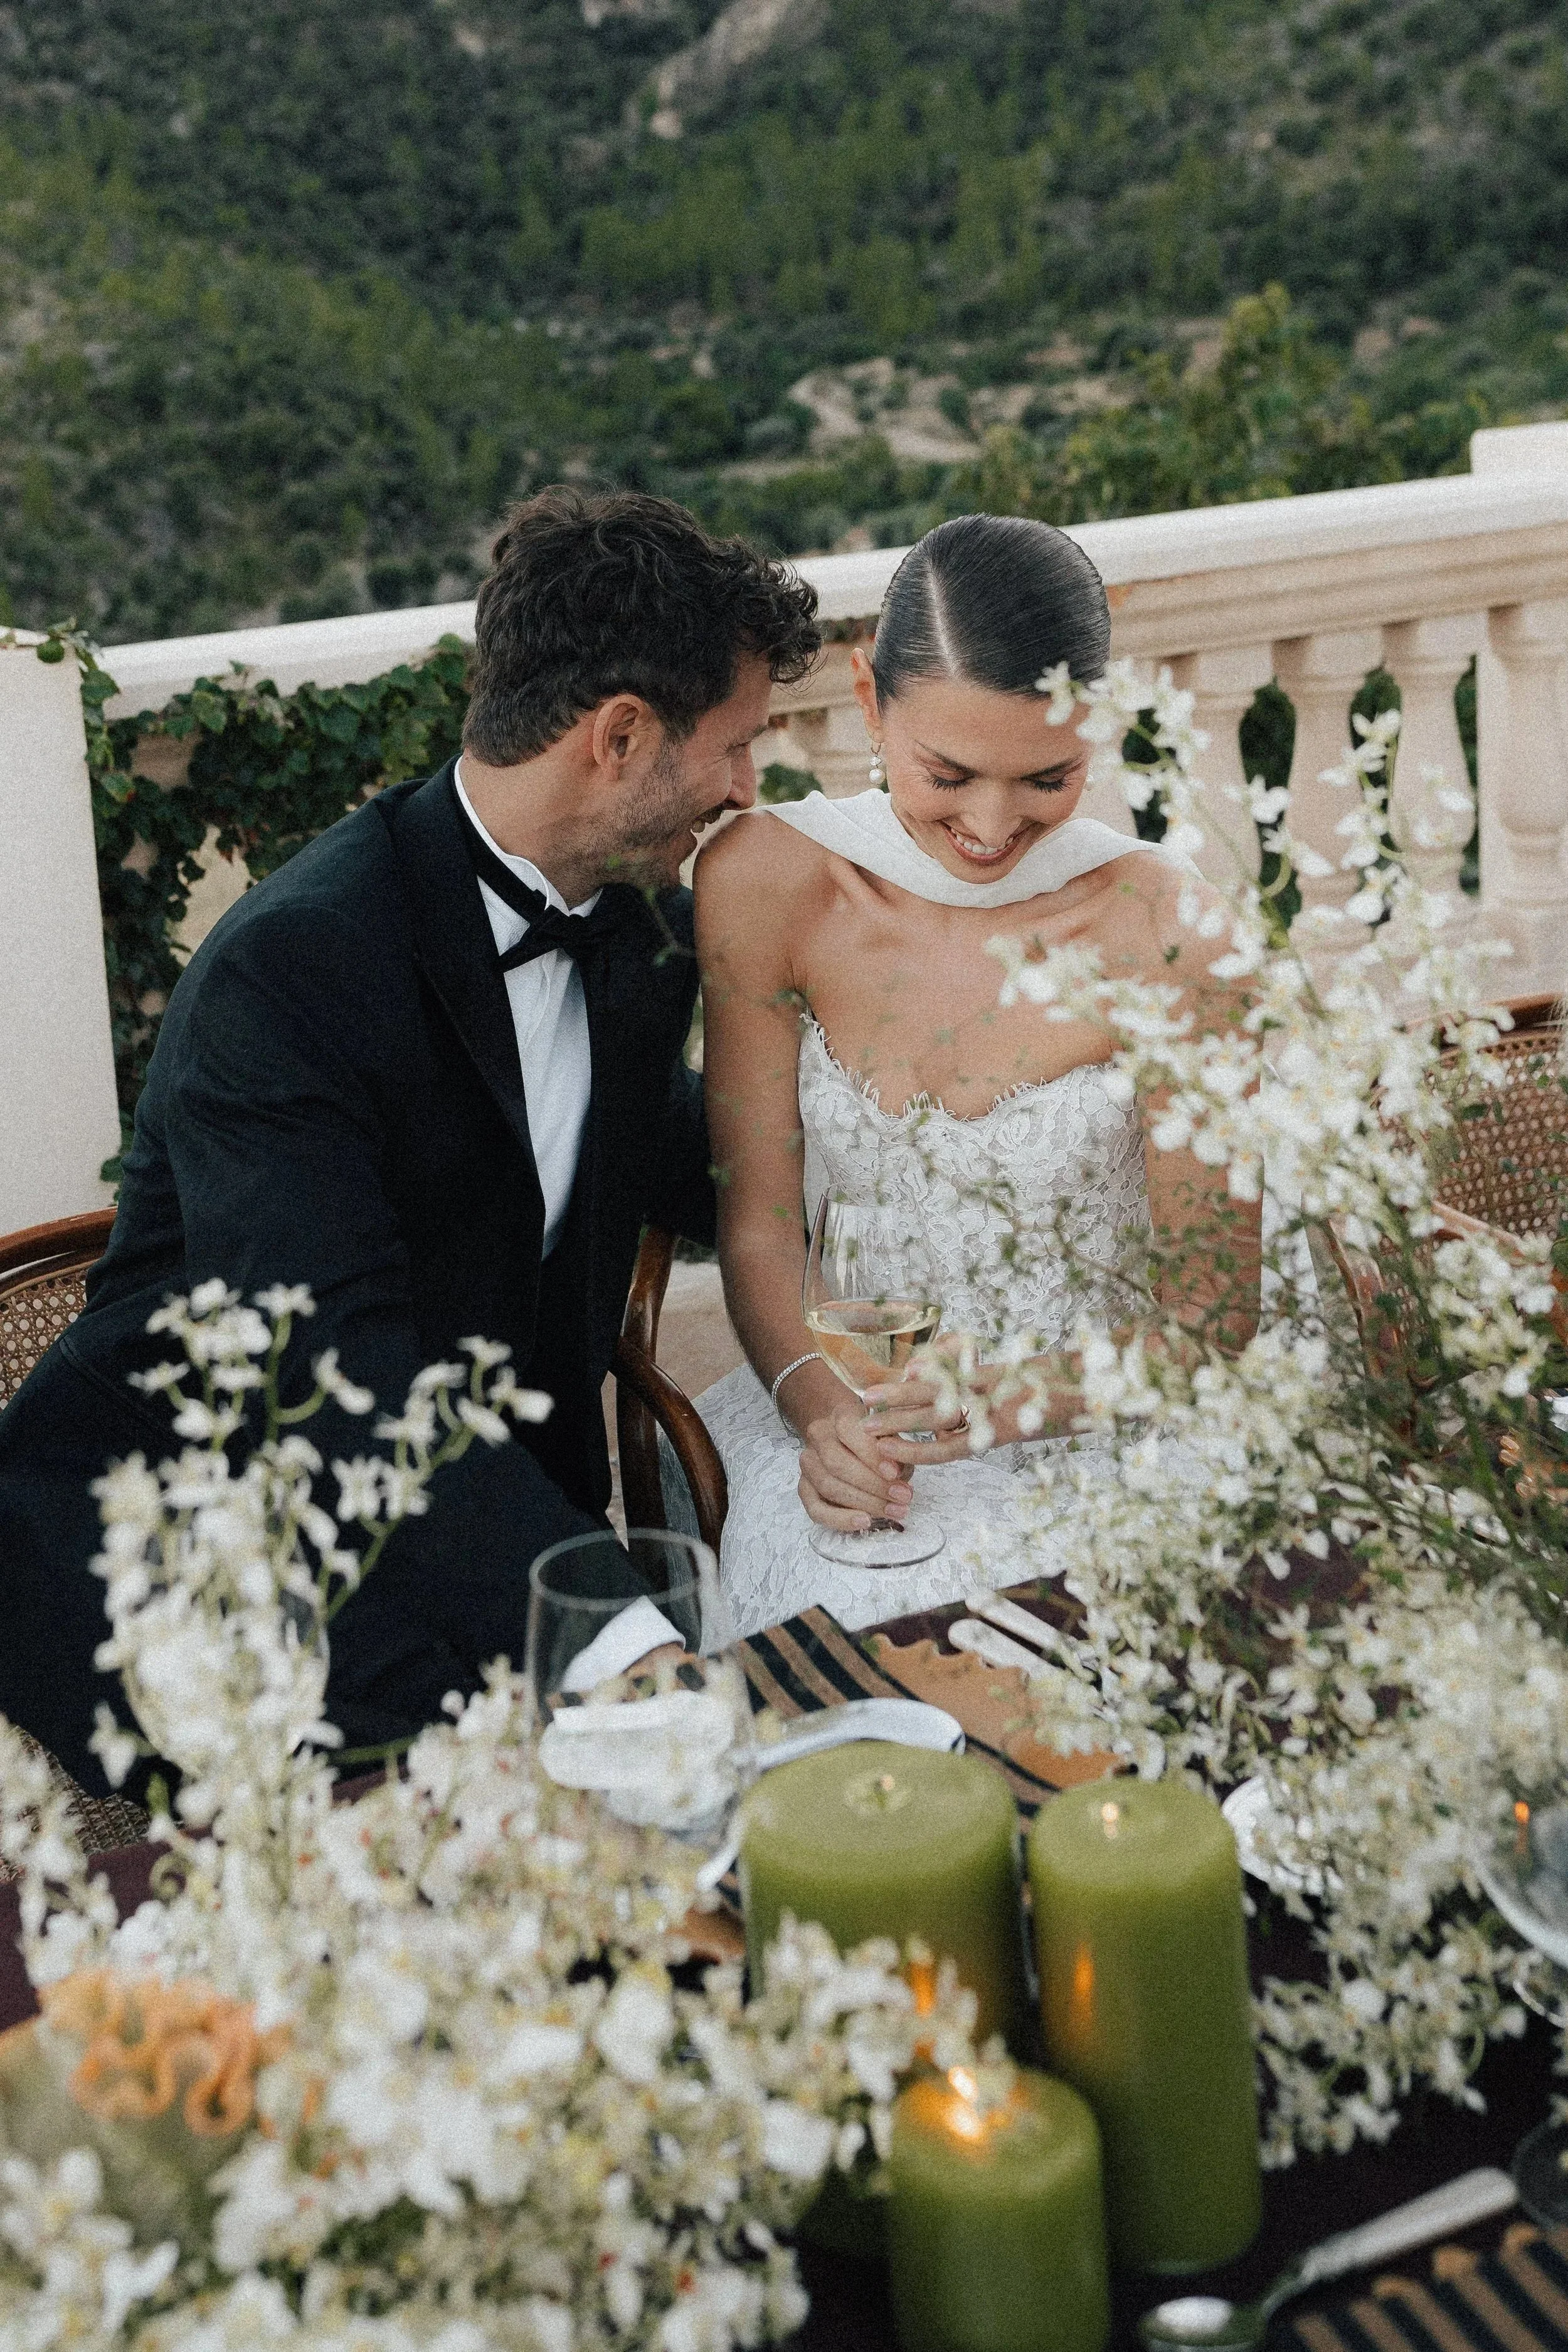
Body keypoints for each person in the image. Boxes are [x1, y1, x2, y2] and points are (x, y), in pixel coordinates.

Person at [0, 489, 820, 1791]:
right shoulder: (295, 972)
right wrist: (606, 1638)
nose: (744, 787)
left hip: (471, 1507)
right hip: (212, 1531)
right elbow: (337, 1374)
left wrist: (923, 1145)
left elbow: (696, 1160)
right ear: (619, 736)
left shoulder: (636, 925)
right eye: (732, 746)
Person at [694, 513, 1258, 1638]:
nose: (993, 827)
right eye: (946, 774)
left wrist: (1019, 1398)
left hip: (1113, 1422)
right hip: (838, 1394)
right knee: (845, 1615)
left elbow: (1213, 1316)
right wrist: (825, 1417)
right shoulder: (764, 882)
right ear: (868, 698)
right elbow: (758, 1232)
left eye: (1049, 776)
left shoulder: (1173, 927)